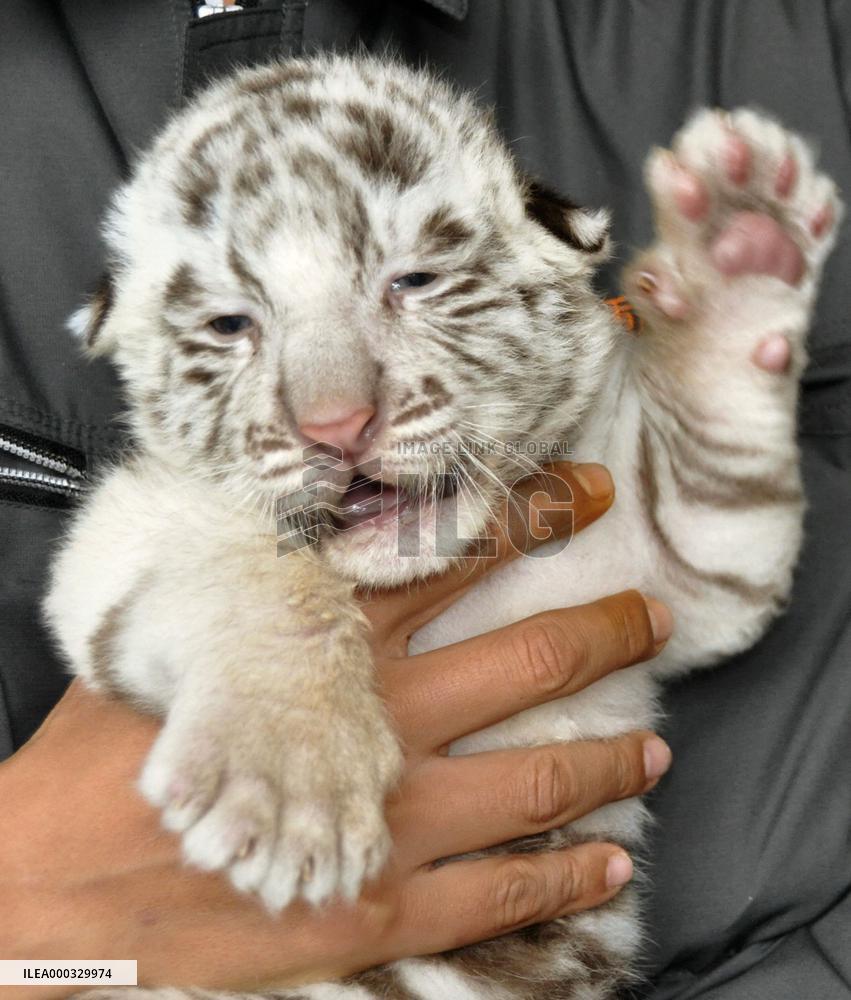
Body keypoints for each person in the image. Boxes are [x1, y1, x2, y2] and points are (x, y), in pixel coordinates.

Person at [0, 2, 848, 997]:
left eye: (412, 280)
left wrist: (713, 375)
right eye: (230, 324)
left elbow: (720, 587)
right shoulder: (185, 503)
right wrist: (29, 938)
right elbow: (126, 562)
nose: (333, 413)